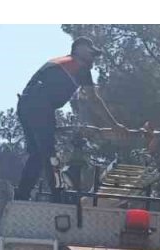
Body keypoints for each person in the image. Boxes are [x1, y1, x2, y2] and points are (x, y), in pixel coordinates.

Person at [15, 36, 128, 201]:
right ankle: (59, 194)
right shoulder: (80, 66)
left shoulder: (59, 62)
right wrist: (114, 125)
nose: (93, 59)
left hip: (25, 105)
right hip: (40, 106)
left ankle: (21, 195)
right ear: (79, 49)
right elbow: (93, 100)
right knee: (49, 154)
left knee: (37, 155)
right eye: (91, 54)